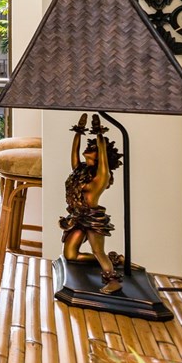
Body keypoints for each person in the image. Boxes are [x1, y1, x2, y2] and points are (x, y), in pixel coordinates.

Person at [60, 113, 124, 293]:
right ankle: (117, 260)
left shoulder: (100, 178)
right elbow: (73, 153)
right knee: (70, 255)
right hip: (77, 217)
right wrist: (79, 131)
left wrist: (99, 134)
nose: (89, 149)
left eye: (93, 147)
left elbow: (103, 158)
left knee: (98, 251)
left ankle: (112, 279)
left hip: (93, 219)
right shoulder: (80, 171)